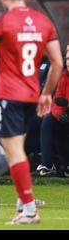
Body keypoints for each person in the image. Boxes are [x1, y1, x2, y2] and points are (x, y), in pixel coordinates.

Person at [0, 0, 63, 224]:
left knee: (14, 154)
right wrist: (47, 93)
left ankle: (29, 209)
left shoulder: (1, 21)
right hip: (32, 95)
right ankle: (22, 204)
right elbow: (57, 62)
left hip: (9, 96)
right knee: (20, 153)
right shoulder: (43, 21)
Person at [38, 48, 69, 177]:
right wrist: (60, 114)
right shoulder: (64, 76)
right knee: (49, 120)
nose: (68, 62)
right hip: (65, 116)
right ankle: (48, 164)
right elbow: (57, 100)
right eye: (67, 59)